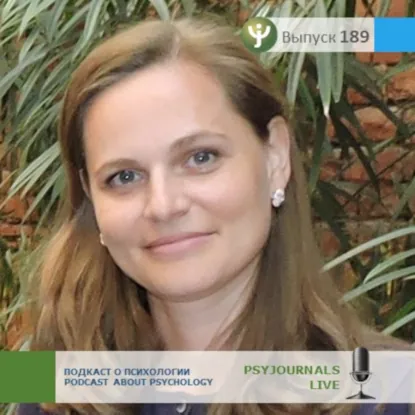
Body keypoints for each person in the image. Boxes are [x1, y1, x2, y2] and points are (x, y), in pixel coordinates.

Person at [17, 16, 413, 415]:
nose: (163, 205)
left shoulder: (393, 393)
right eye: (124, 176)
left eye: (200, 157)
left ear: (275, 157)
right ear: (90, 195)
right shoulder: (49, 387)